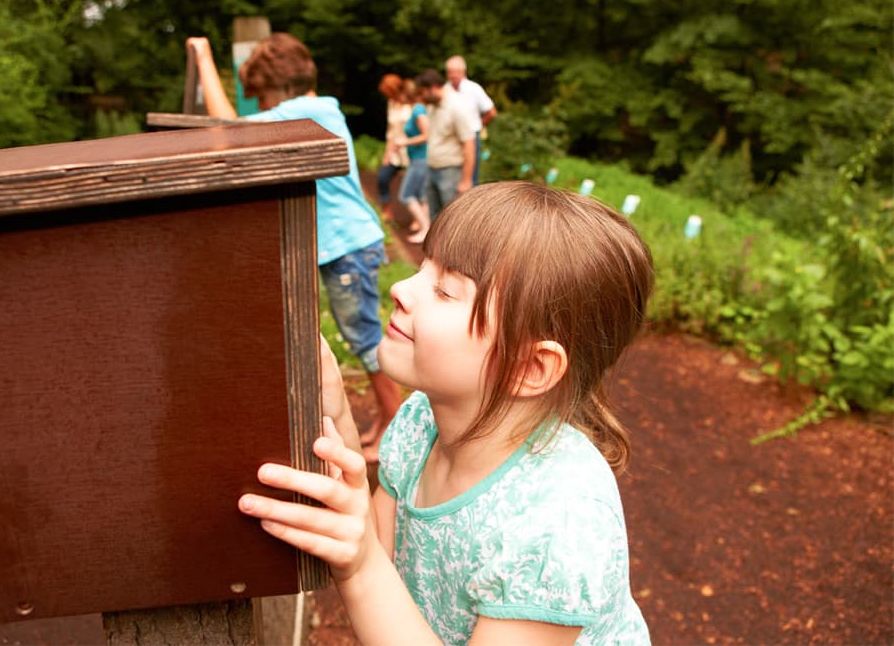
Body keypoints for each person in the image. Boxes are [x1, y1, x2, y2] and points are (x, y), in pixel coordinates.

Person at [238, 181, 654, 645]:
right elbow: (379, 546)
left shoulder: (558, 525)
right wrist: (334, 410)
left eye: (445, 290)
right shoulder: (422, 421)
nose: (401, 288)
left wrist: (361, 566)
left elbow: (370, 563)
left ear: (529, 367)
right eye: (423, 267)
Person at [186, 34, 402, 460]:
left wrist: (204, 57)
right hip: (343, 244)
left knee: (363, 338)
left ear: (279, 85)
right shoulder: (315, 111)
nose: (264, 106)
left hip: (347, 245)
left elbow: (228, 131)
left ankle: (394, 425)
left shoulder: (307, 112)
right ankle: (386, 420)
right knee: (360, 336)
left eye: (263, 97)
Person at [413, 69, 476, 221]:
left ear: (433, 87)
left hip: (451, 172)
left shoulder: (457, 107)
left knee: (452, 220)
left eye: (422, 92)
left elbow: (469, 144)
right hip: (432, 169)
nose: (420, 97)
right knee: (435, 219)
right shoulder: (432, 106)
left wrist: (466, 180)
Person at [387, 79, 431, 244]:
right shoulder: (418, 109)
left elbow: (426, 135)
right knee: (422, 196)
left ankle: (425, 228)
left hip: (421, 159)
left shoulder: (418, 109)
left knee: (406, 195)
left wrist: (404, 142)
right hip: (419, 159)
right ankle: (427, 231)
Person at [444, 55, 497, 185]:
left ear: (463, 72)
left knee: (471, 175)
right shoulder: (445, 90)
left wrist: (479, 124)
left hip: (471, 137)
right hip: (451, 139)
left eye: (456, 71)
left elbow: (491, 112)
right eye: (450, 72)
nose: (453, 75)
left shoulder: (474, 89)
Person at [376, 74, 413, 221]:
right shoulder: (391, 103)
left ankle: (417, 218)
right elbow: (391, 130)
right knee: (382, 177)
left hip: (410, 149)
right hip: (394, 150)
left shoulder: (412, 103)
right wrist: (387, 153)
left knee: (413, 184)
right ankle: (386, 210)